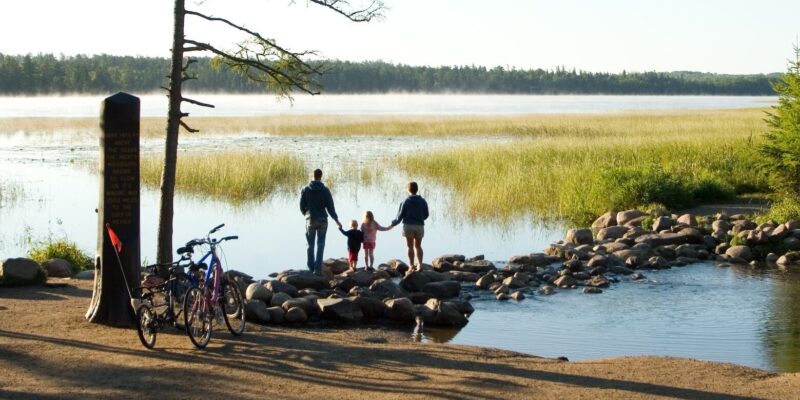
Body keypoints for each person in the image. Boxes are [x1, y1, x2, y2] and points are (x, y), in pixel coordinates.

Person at [300, 168, 341, 275]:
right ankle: (317, 270)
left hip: (310, 220)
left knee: (310, 245)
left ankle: (310, 268)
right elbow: (330, 208)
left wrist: (306, 214)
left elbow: (301, 206)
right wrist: (336, 220)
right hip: (322, 220)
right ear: (321, 176)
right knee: (321, 243)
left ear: (312, 176)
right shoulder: (325, 190)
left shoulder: (305, 189)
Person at [390, 181, 429, 271]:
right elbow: (426, 214)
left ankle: (411, 265)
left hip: (408, 226)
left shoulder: (405, 201)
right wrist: (420, 219)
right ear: (417, 189)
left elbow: (399, 216)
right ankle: (420, 265)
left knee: (410, 247)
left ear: (408, 190)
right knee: (418, 246)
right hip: (419, 226)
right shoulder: (423, 201)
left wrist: (393, 223)